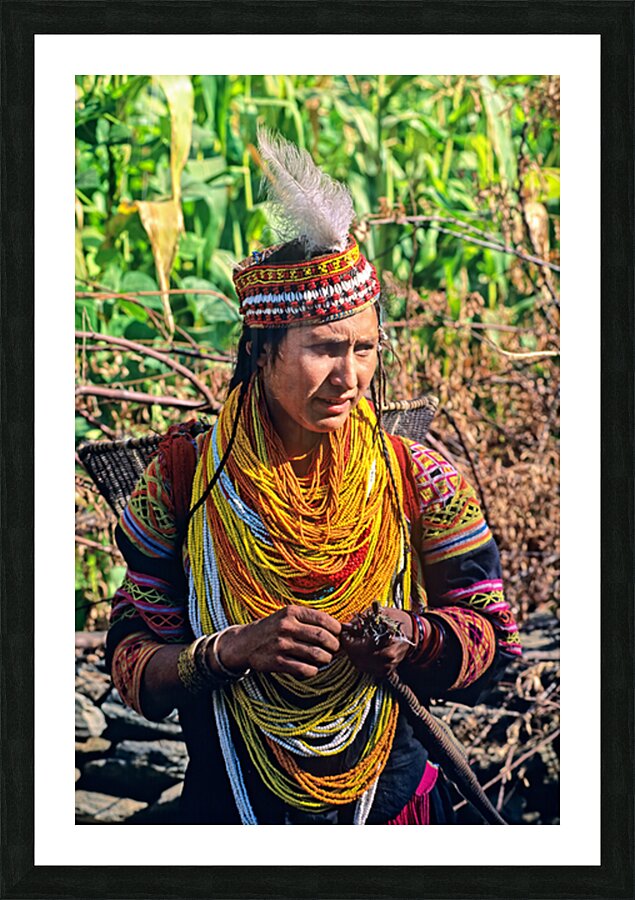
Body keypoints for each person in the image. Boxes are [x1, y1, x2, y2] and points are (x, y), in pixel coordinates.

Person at [106, 130, 521, 825]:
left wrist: (407, 635)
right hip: (231, 809)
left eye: (363, 349)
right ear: (261, 351)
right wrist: (230, 649)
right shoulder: (183, 478)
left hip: (390, 813)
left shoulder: (413, 476)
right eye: (324, 349)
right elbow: (131, 665)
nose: (349, 377)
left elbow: (493, 643)